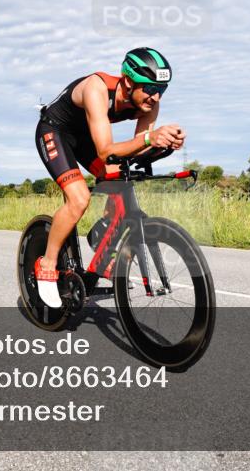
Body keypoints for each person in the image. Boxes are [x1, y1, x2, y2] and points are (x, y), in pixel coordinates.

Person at [34, 47, 184, 307]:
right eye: (149, 88)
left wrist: (163, 145)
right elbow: (106, 150)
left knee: (121, 178)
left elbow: (139, 147)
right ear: (127, 81)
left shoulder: (151, 104)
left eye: (162, 89)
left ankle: (103, 232)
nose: (156, 96)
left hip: (85, 138)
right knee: (79, 199)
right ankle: (47, 264)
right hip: (55, 132)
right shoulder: (97, 88)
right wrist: (150, 137)